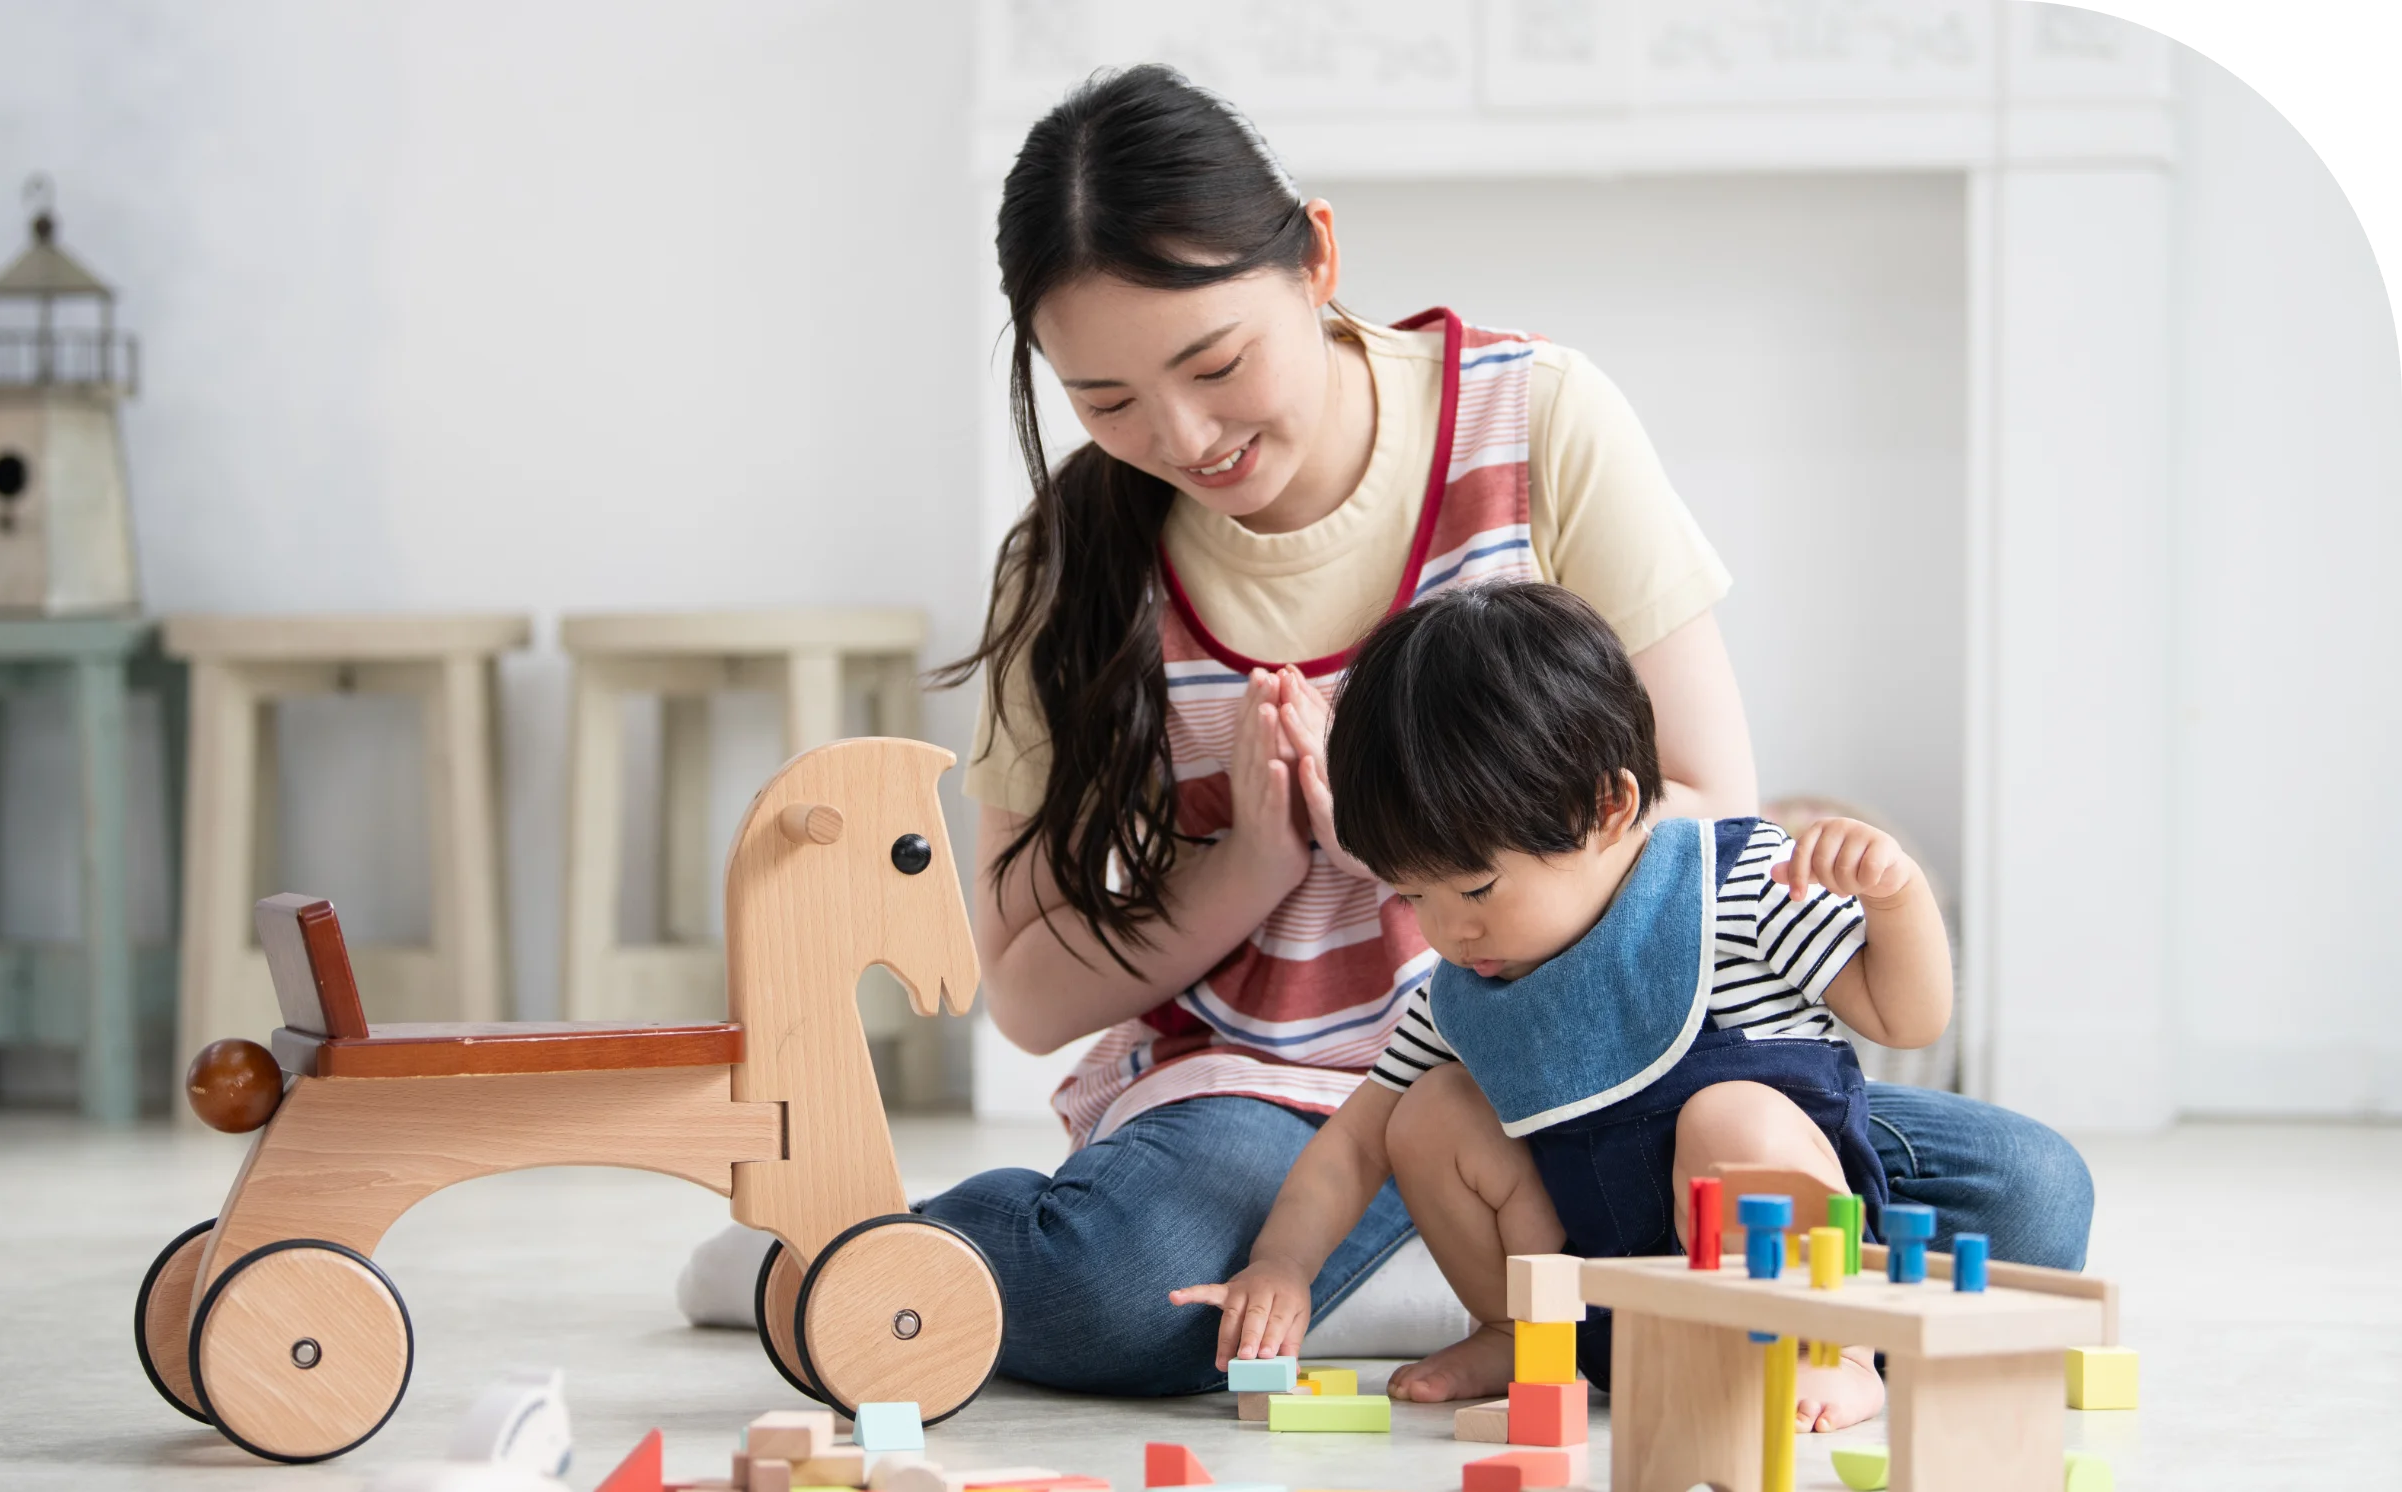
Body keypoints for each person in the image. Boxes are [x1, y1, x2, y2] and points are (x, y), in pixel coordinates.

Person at [680, 60, 2093, 1401]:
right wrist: (1258, 864)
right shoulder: (1068, 571)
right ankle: (854, 1254)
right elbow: (1037, 994)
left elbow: (1704, 802)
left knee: (2027, 1202)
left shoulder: (1537, 417)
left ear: (1319, 262)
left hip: (1608, 1053)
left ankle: (1457, 1269)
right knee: (1123, 1292)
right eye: (1105, 401)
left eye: (1216, 363)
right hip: (1275, 1100)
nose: (1181, 436)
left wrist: (1442, 810)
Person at [1169, 580, 1952, 1431]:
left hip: (1785, 1284)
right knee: (1427, 1113)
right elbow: (1354, 1146)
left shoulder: (1737, 891)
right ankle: (1520, 1333)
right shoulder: (1470, 990)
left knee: (1735, 1120)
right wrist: (1281, 1264)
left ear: (1608, 807)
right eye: (1412, 897)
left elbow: (1908, 1020)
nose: (1446, 931)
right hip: (1595, 1310)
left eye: (1473, 888)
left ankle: (1828, 1352)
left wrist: (1895, 898)